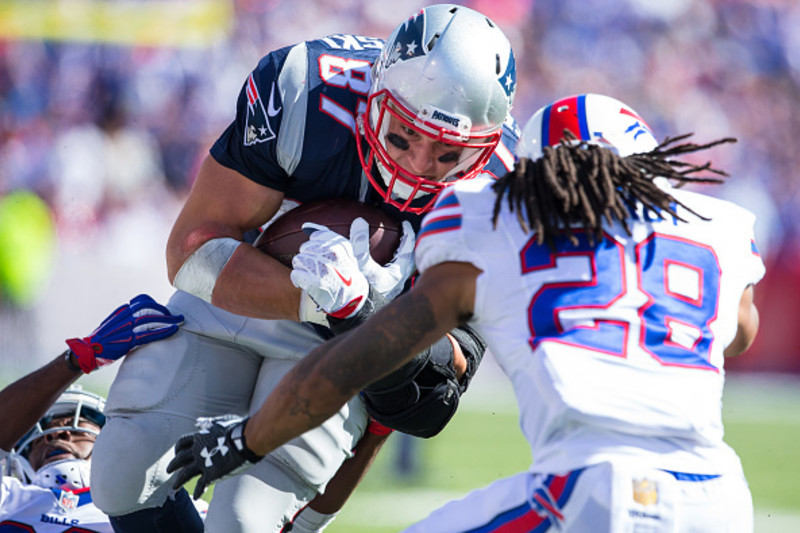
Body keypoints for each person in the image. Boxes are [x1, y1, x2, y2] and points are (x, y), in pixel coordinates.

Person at [168, 93, 763, 533]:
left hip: (592, 488)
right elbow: (740, 333)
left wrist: (248, 438)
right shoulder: (719, 230)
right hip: (722, 498)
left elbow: (356, 361)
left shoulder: (496, 222)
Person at [90, 4, 518, 533]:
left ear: (484, 148)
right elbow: (192, 249)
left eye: (447, 153)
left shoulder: (503, 195)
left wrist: (363, 310)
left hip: (345, 352)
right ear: (374, 101)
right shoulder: (303, 89)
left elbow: (433, 400)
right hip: (245, 293)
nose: (416, 167)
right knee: (120, 474)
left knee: (244, 522)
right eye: (402, 136)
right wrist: (315, 297)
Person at [0, 294, 192, 532]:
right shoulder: (8, 501)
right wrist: (80, 357)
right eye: (39, 436)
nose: (54, 436)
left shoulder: (169, 507)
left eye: (74, 425)